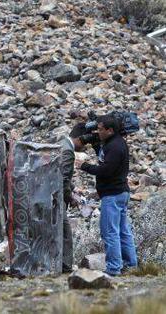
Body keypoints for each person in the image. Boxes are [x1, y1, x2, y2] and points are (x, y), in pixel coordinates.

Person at [76, 115, 138, 276]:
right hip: (119, 193)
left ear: (110, 130)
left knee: (109, 232)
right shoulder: (113, 143)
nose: (98, 132)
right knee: (123, 231)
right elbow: (106, 162)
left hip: (113, 194)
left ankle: (113, 268)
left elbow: (106, 170)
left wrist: (84, 166)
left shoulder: (115, 146)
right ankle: (131, 265)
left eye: (101, 129)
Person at [57, 123, 87, 273]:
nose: (85, 146)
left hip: (50, 195)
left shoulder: (60, 143)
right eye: (85, 142)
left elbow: (60, 173)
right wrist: (71, 198)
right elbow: (62, 180)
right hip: (57, 197)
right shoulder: (68, 151)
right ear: (79, 138)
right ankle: (65, 266)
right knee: (65, 233)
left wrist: (74, 187)